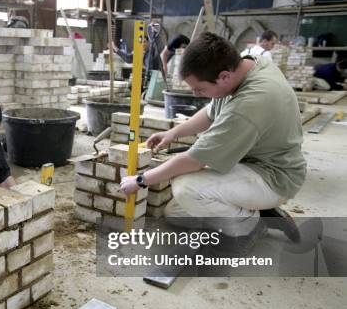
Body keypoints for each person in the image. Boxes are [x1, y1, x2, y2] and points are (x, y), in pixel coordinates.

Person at [121, 32, 306, 250]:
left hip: (275, 176)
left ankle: (252, 223)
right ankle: (260, 209)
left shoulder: (251, 102)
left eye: (200, 89)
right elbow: (211, 113)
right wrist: (173, 133)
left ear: (224, 76)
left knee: (185, 189)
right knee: (175, 214)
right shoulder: (247, 64)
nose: (197, 95)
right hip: (250, 161)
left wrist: (141, 180)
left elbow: (195, 160)